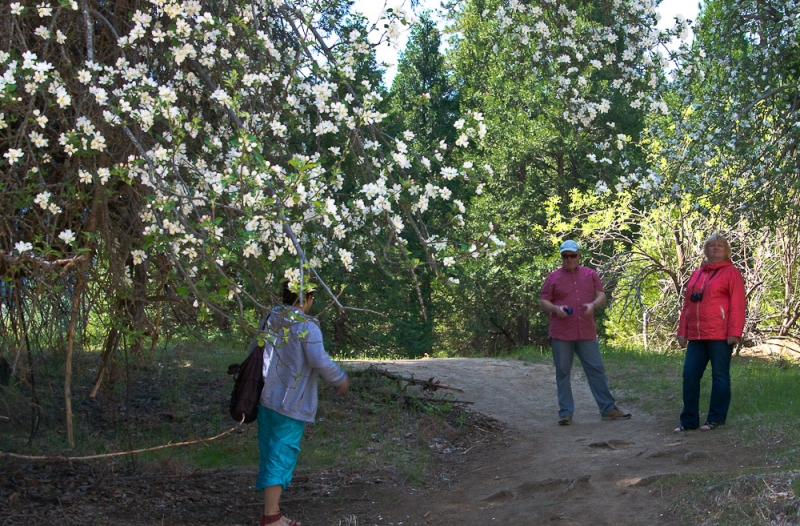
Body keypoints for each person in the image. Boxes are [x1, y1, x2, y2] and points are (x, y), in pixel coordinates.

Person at [256, 282, 350, 526]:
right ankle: (271, 517)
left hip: (266, 398)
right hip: (292, 402)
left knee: (270, 453)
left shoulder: (271, 318)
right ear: (307, 298)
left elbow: (256, 351)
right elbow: (319, 360)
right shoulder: (307, 326)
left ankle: (273, 511)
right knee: (282, 455)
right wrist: (340, 379)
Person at [539, 240, 631, 426]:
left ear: (579, 255)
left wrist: (593, 305)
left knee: (596, 369)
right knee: (563, 372)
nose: (569, 259)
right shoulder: (553, 277)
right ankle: (566, 413)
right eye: (565, 256)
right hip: (561, 332)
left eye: (573, 255)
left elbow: (601, 295)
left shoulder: (590, 274)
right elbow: (543, 301)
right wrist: (557, 309)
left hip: (586, 332)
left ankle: (608, 409)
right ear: (562, 257)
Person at [674, 233, 745, 433]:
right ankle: (688, 421)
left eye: (720, 245)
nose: (715, 248)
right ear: (705, 249)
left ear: (726, 250)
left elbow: (738, 305)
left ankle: (715, 418)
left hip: (721, 336)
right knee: (689, 375)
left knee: (720, 376)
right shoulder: (697, 274)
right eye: (712, 245)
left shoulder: (732, 273)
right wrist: (682, 331)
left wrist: (734, 332)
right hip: (697, 335)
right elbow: (687, 305)